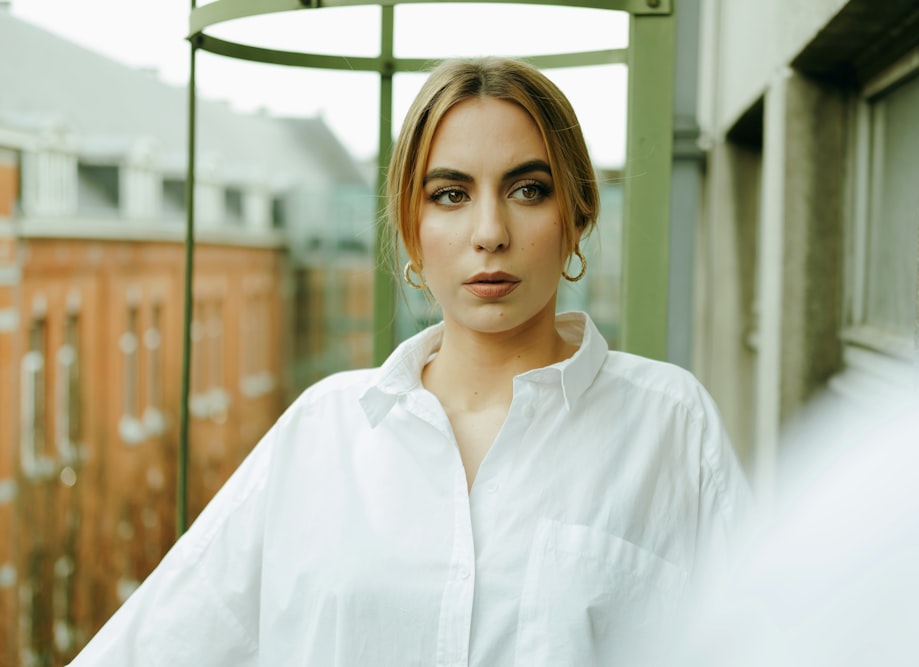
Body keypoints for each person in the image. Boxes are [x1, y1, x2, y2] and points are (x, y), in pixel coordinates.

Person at [68, 56, 751, 666]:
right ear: (412, 232)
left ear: (576, 214)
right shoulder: (323, 430)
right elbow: (158, 643)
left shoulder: (670, 425)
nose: (490, 233)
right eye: (450, 194)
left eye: (528, 189)